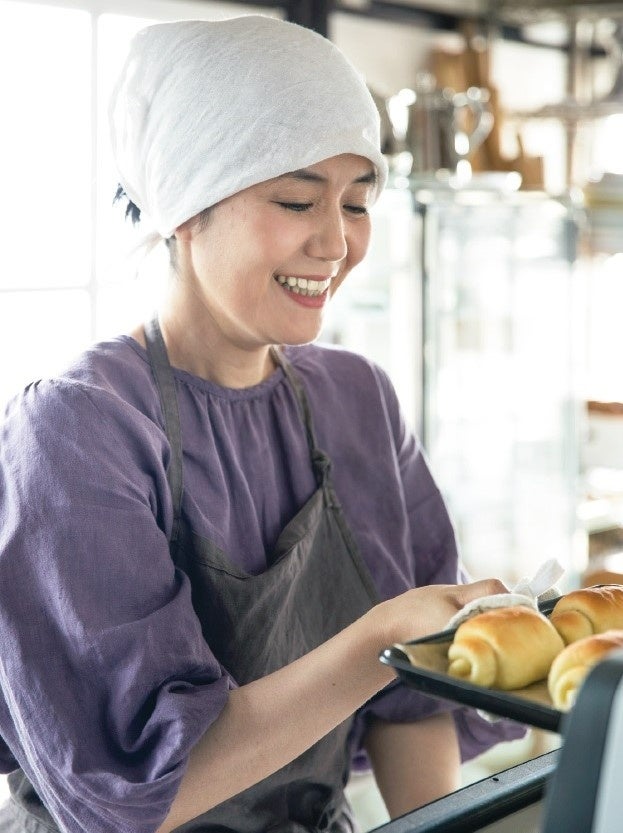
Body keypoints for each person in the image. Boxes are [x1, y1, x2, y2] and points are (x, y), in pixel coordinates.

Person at [0, 15, 525, 833]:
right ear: (182, 206)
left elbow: (410, 700)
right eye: (294, 199)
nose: (336, 241)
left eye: (357, 202)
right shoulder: (78, 427)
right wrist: (380, 637)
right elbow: (140, 793)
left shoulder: (357, 398)